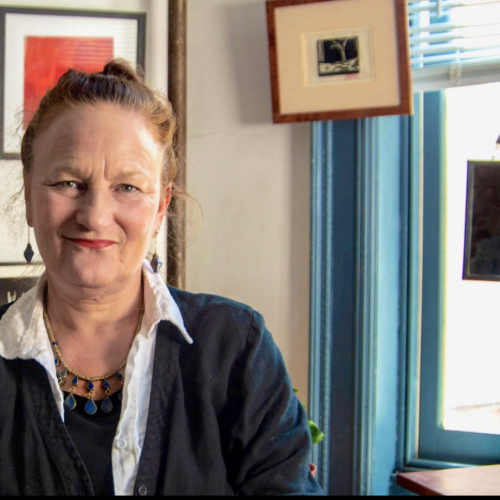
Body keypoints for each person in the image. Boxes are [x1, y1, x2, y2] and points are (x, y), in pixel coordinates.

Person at [0, 60, 323, 496]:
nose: (95, 215)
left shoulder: (235, 350)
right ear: (30, 194)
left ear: (160, 208)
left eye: (128, 187)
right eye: (68, 182)